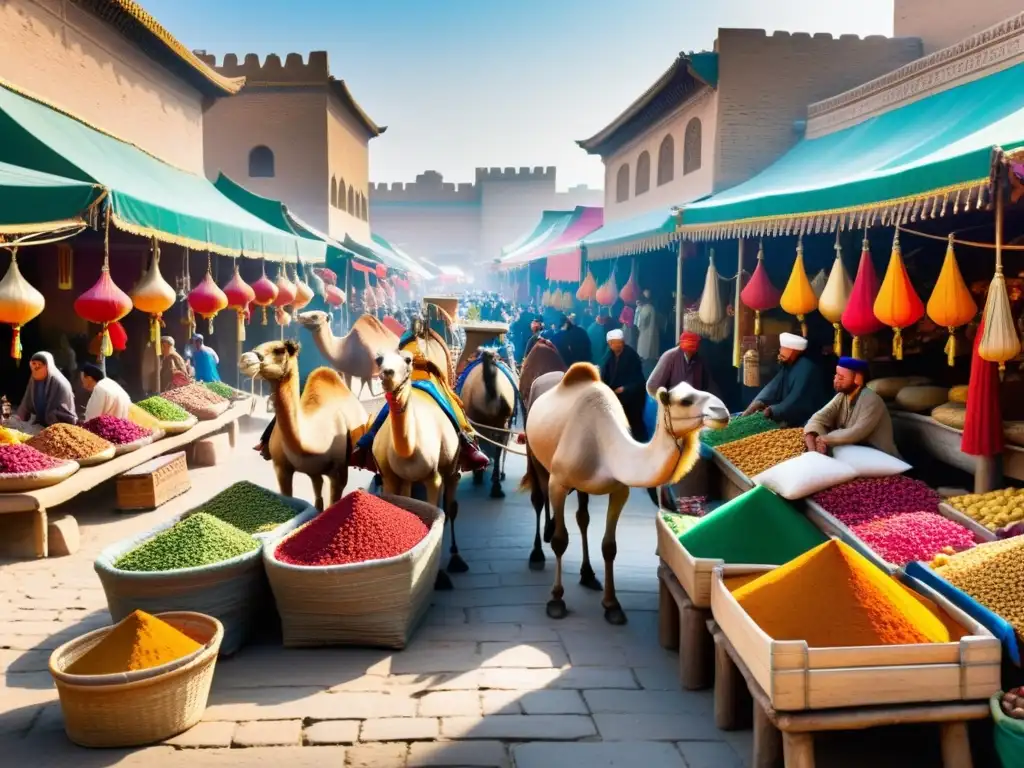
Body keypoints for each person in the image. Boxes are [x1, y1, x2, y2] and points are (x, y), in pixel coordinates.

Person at [804, 357, 899, 457]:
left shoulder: (871, 400)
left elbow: (856, 433)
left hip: (878, 454)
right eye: (836, 375)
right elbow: (819, 418)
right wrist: (812, 435)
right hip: (852, 450)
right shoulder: (841, 397)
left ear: (857, 379)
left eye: (841, 377)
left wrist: (824, 439)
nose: (836, 380)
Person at [743, 332, 827, 427]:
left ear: (794, 351)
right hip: (788, 418)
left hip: (808, 421)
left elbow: (796, 400)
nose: (780, 351)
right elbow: (773, 387)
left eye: (783, 348)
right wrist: (758, 401)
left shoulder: (807, 368)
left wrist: (772, 410)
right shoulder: (789, 365)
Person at [600, 329, 648, 441]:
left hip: (633, 398)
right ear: (610, 344)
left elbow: (639, 380)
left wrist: (625, 388)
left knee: (635, 424)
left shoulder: (631, 356)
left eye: (620, 342)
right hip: (616, 397)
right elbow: (604, 376)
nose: (618, 345)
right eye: (615, 343)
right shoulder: (608, 356)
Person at [646, 331, 720, 400]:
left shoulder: (699, 361)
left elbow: (709, 387)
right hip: (672, 407)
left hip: (693, 407)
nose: (690, 351)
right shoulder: (670, 356)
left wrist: (718, 402)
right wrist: (667, 401)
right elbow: (652, 386)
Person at [16, 351, 76, 427]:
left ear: (48, 366)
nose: (36, 367)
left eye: (40, 364)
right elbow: (27, 400)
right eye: (34, 364)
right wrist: (20, 417)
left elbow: (64, 411)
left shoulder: (60, 383)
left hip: (58, 426)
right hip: (41, 423)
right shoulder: (34, 379)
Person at [635, 291, 660, 376]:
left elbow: (639, 324)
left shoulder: (646, 309)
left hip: (645, 337)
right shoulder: (651, 308)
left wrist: (638, 309)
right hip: (651, 336)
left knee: (646, 361)